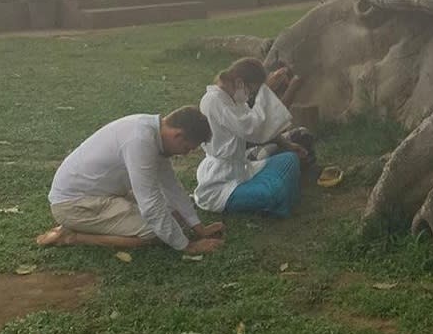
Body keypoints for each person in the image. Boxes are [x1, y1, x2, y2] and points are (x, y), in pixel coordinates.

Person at [36, 106, 225, 255]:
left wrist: (200, 229)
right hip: (75, 204)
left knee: (172, 217)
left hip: (102, 195)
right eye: (187, 148)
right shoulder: (140, 141)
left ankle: (86, 226)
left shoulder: (154, 133)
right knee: (155, 231)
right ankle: (73, 236)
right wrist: (187, 246)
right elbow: (150, 202)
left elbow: (171, 186)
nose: (185, 154)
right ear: (177, 135)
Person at [195, 58, 309, 217]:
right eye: (252, 91)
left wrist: (288, 145)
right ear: (240, 83)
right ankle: (271, 195)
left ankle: (273, 192)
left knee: (290, 159)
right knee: (273, 192)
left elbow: (256, 124)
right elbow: (252, 128)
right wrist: (266, 89)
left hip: (243, 168)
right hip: (221, 182)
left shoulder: (232, 99)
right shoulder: (213, 101)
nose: (250, 96)